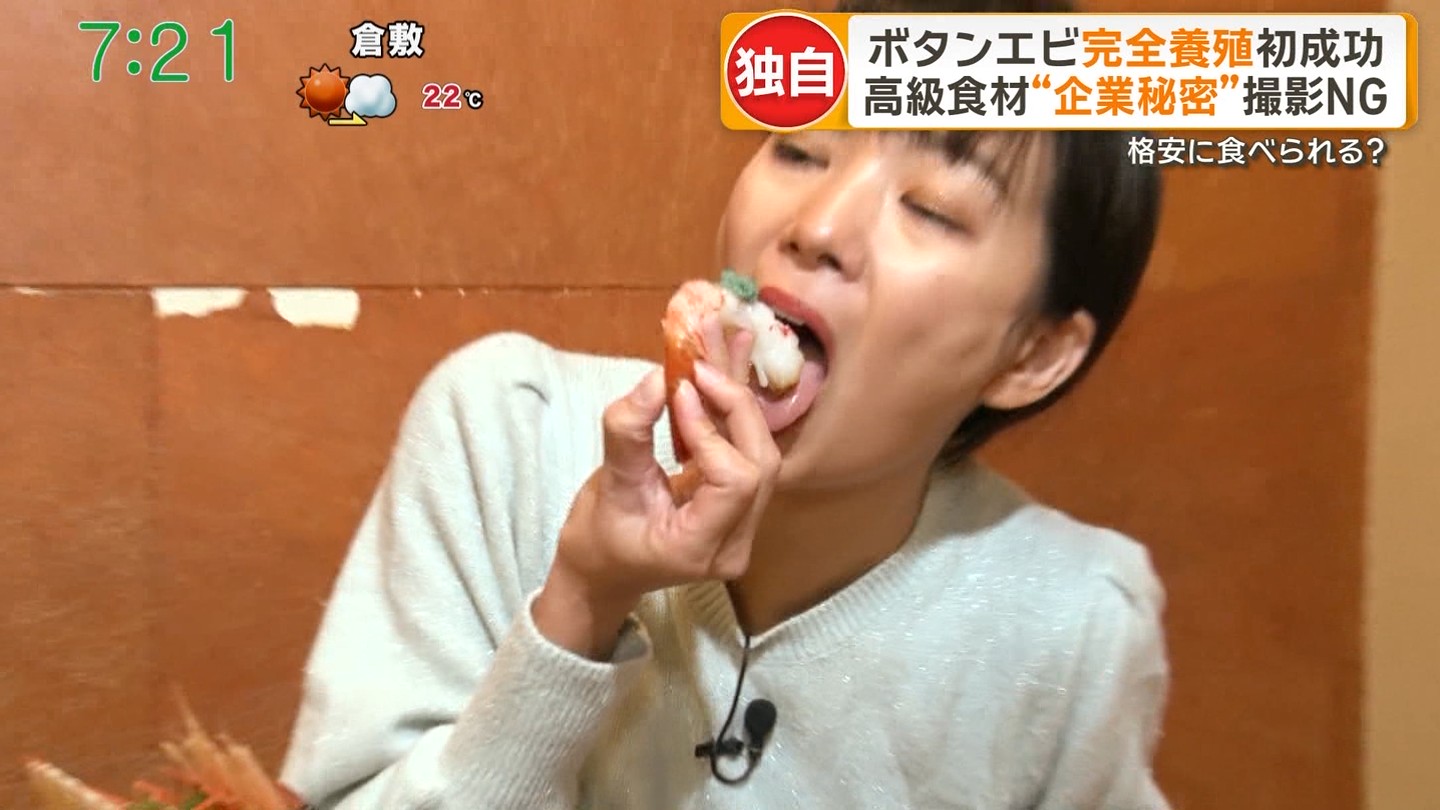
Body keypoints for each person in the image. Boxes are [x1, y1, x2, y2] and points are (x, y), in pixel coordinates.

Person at [279, 0, 1170, 807]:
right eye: (801, 149)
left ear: (1033, 354)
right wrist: (584, 602)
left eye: (933, 209)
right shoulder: (505, 430)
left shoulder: (1072, 620)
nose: (818, 226)